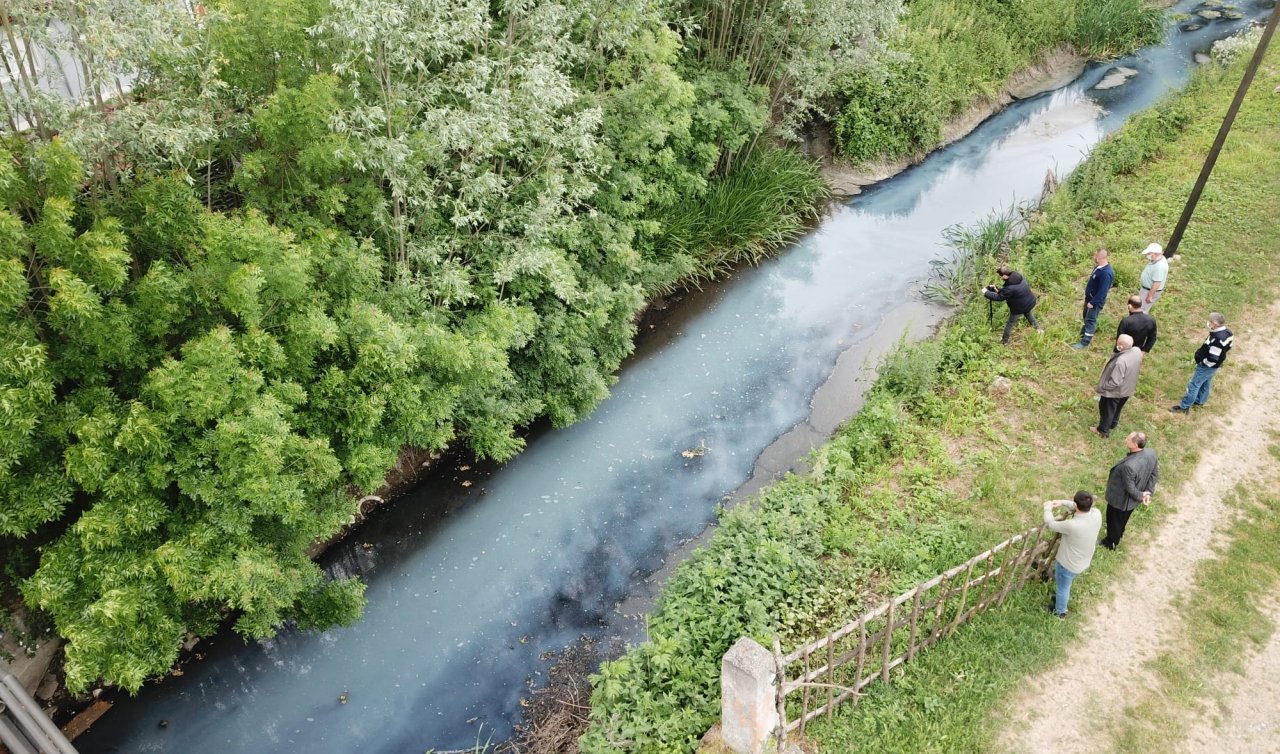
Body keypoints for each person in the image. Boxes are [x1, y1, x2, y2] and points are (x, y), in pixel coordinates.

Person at [1043, 490, 1102, 617]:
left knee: (1063, 588)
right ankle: (1059, 600)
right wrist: (1062, 502)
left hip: (1067, 564)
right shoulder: (1097, 514)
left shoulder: (1072, 525)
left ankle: (1060, 612)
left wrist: (1047, 508)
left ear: (1076, 504)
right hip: (1083, 561)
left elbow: (1050, 524)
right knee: (1065, 584)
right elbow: (1078, 507)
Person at [1100, 431, 1159, 549]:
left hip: (1120, 500)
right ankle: (1119, 533)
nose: (1125, 439)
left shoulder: (1129, 466)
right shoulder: (1151, 453)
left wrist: (1142, 496)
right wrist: (1148, 492)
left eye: (1128, 439)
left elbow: (1130, 488)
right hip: (1131, 502)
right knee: (1122, 520)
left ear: (1135, 445)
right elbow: (1154, 473)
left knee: (1114, 521)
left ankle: (1110, 543)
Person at [1170, 312, 1234, 413]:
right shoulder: (1228, 332)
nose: (1208, 323)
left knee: (1194, 384)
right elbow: (1229, 346)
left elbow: (1213, 358)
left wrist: (1203, 362)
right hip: (1215, 366)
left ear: (1215, 324)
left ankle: (1184, 406)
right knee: (1206, 382)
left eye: (1210, 321)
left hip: (1207, 366)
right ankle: (1200, 401)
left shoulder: (1217, 339)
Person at [1093, 334, 1143, 438]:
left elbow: (1115, 382)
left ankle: (1103, 431)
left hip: (1115, 392)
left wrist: (1103, 387)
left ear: (1120, 346)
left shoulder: (1121, 362)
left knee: (1107, 409)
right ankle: (1113, 423)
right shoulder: (1137, 351)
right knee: (1118, 408)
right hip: (1127, 389)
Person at [983, 266, 1040, 344]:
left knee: (1010, 323)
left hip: (1019, 308)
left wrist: (986, 292)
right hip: (1029, 302)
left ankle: (1004, 341)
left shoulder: (1009, 288)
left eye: (1000, 276)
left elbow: (999, 297)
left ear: (1004, 276)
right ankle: (1039, 329)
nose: (1001, 278)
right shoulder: (1018, 276)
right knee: (1028, 314)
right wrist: (996, 289)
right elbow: (1009, 292)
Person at [1071, 249, 1114, 349]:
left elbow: (1103, 291)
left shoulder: (1106, 273)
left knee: (1090, 319)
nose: (1093, 257)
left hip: (1094, 302)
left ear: (1100, 257)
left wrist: (1093, 302)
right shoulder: (1098, 267)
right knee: (1086, 316)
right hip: (1089, 299)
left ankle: (1085, 342)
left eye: (1095, 256)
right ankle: (1084, 332)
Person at [1138, 242, 1169, 313]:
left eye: (1149, 253)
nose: (1147, 255)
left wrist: (1150, 296)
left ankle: (1137, 322)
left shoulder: (1159, 266)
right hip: (1146, 289)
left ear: (1156, 254)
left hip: (1149, 291)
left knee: (1141, 309)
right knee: (1140, 306)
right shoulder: (1158, 259)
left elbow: (1157, 283)